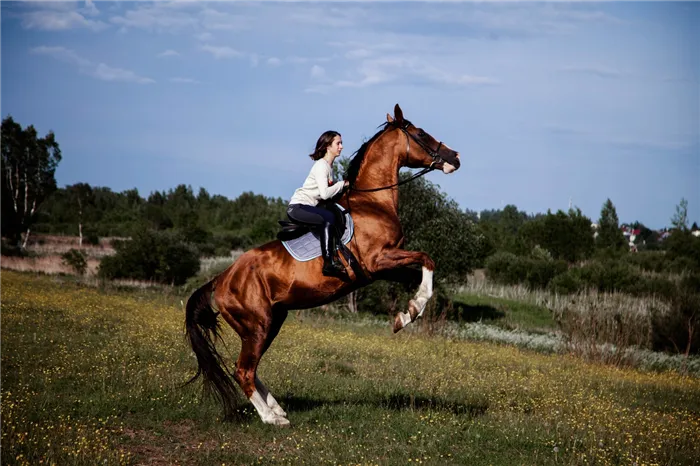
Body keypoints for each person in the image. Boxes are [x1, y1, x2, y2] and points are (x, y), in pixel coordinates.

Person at [287, 130, 349, 277]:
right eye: (338, 143)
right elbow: (325, 194)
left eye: (341, 143)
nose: (341, 146)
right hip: (298, 208)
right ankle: (328, 263)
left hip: (306, 207)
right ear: (328, 146)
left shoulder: (329, 168)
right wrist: (342, 184)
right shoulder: (321, 166)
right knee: (328, 217)